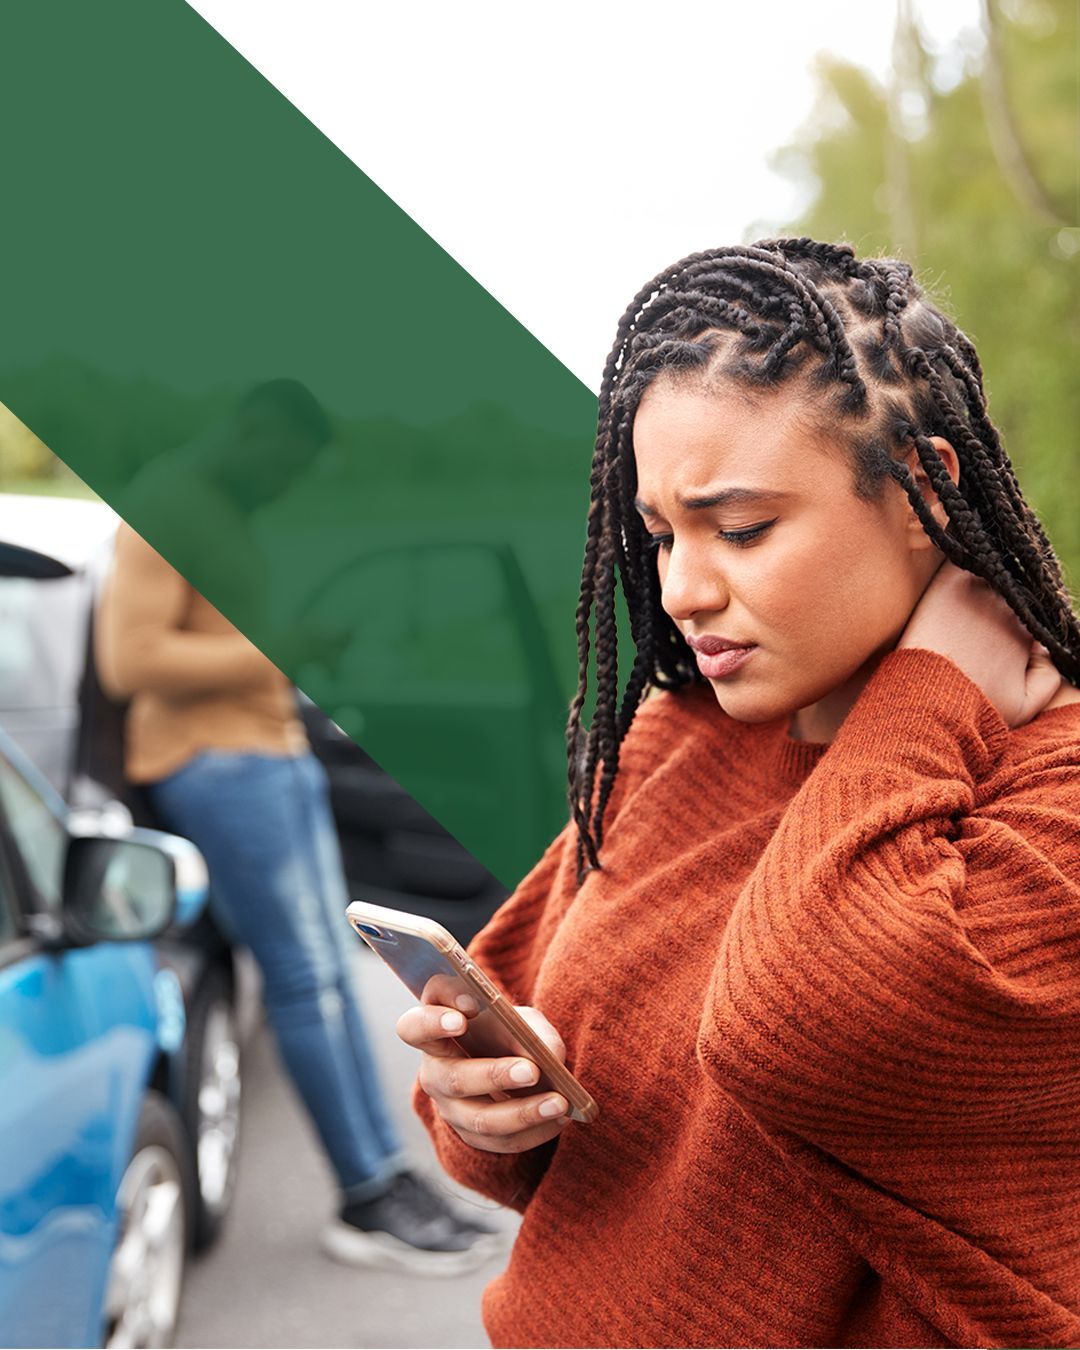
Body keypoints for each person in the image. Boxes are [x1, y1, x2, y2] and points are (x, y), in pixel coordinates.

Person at [397, 239, 1080, 1345]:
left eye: (743, 529)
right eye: (662, 533)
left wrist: (926, 692)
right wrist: (494, 1116)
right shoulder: (677, 741)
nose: (679, 590)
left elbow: (801, 1027)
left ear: (927, 493)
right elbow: (538, 1109)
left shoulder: (1055, 799)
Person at [95, 378, 498, 1273]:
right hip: (218, 766)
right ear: (251, 428)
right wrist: (285, 646)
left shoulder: (221, 510)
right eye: (281, 462)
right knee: (305, 982)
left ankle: (391, 1177)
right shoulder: (167, 500)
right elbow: (131, 657)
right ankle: (366, 1197)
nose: (283, 485)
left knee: (329, 977)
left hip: (270, 759)